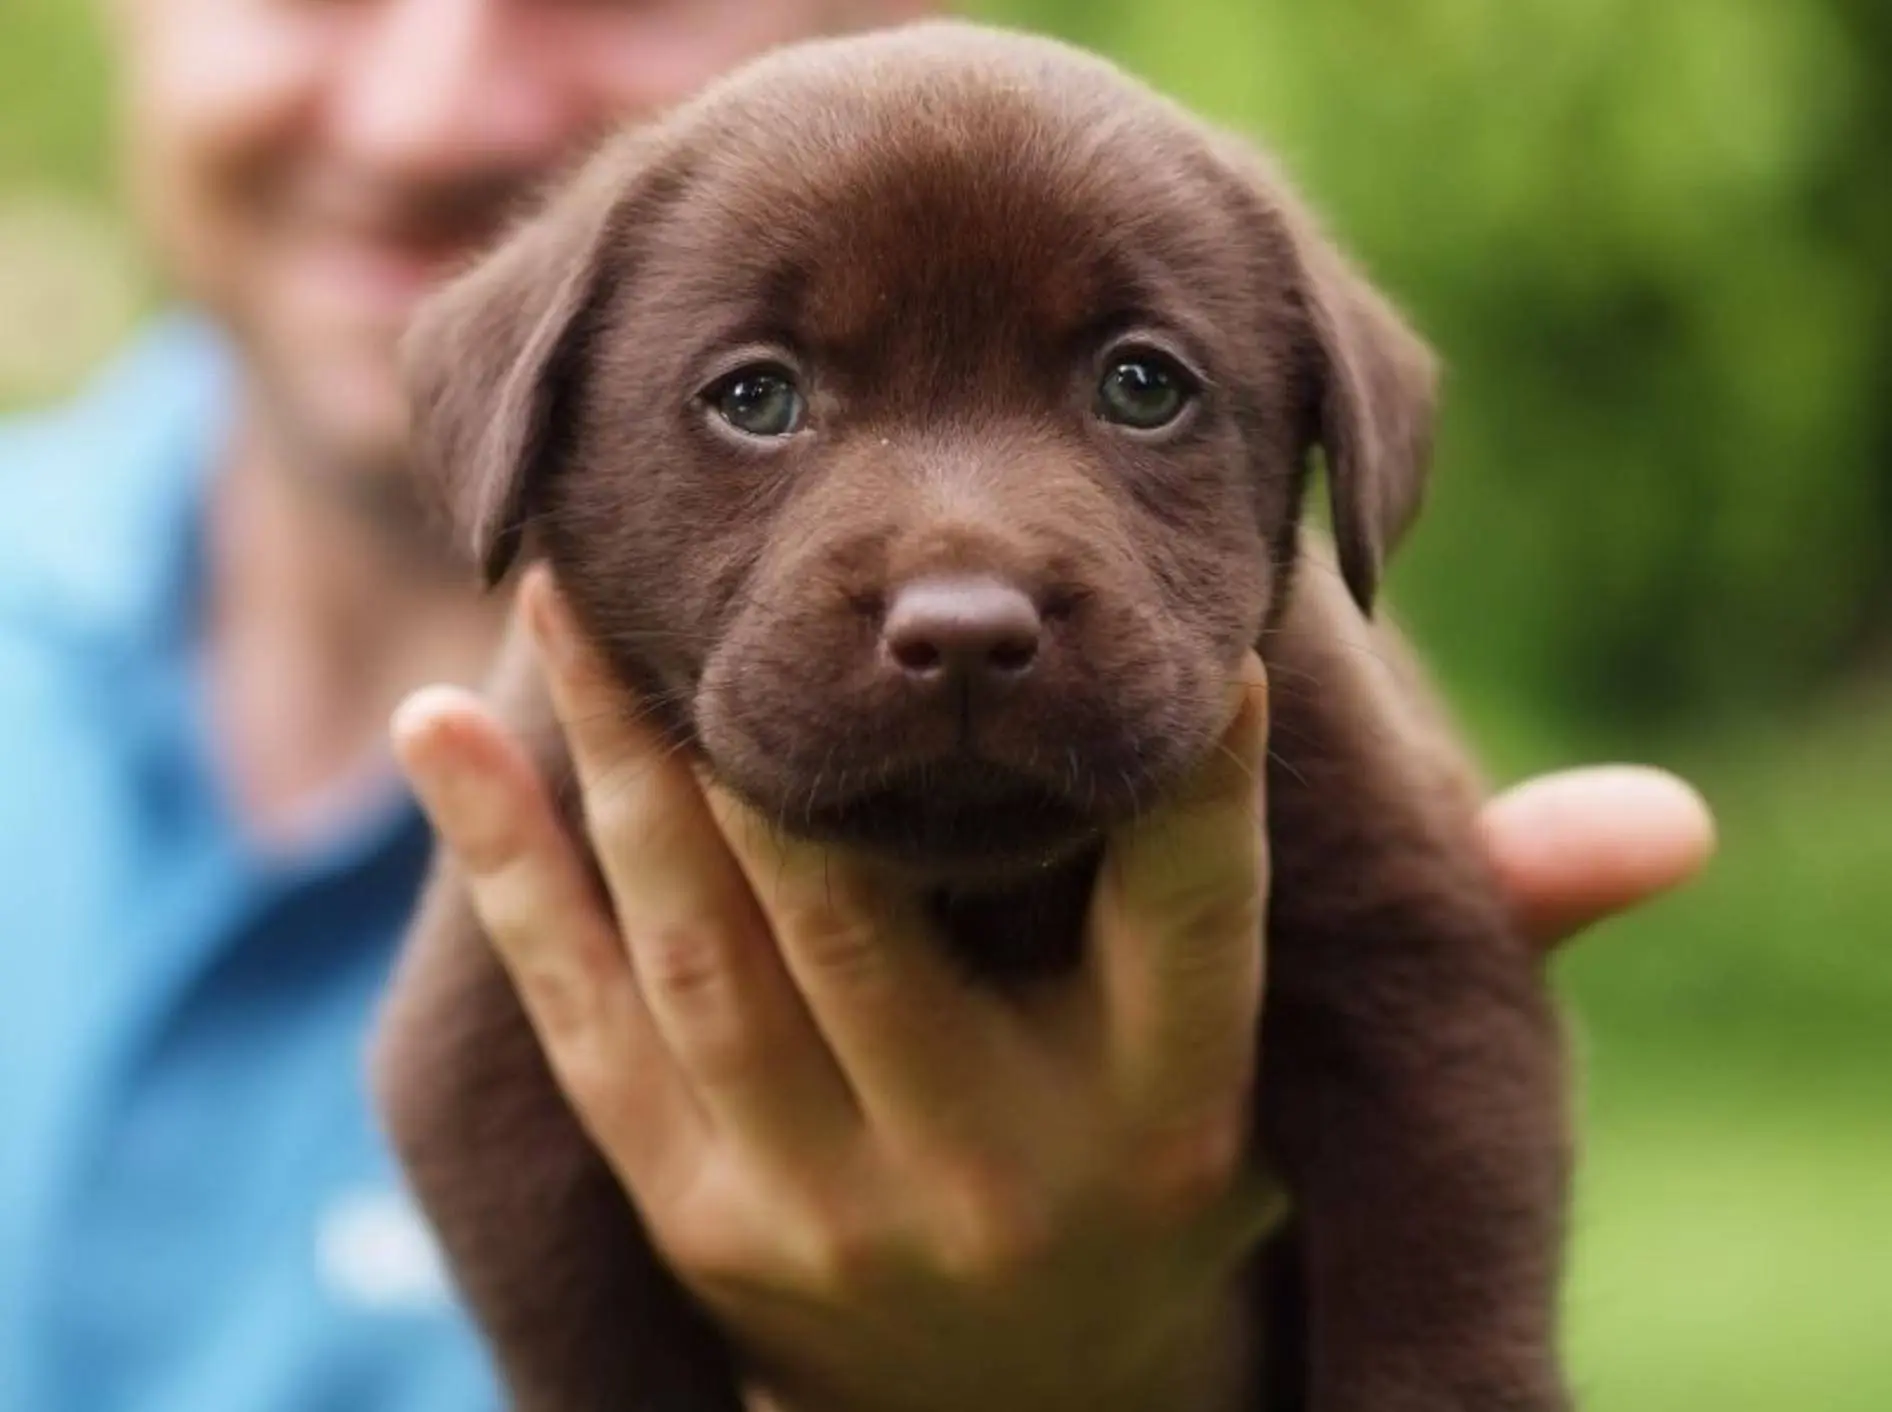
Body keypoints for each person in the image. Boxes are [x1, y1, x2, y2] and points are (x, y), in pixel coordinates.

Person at [0, 2, 1714, 1410]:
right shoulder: (516, 744)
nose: (960, 588)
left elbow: (1439, 1043)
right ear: (528, 446)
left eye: (1144, 386)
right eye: (754, 395)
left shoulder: (1307, 734)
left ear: (1337, 455)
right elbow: (471, 1089)